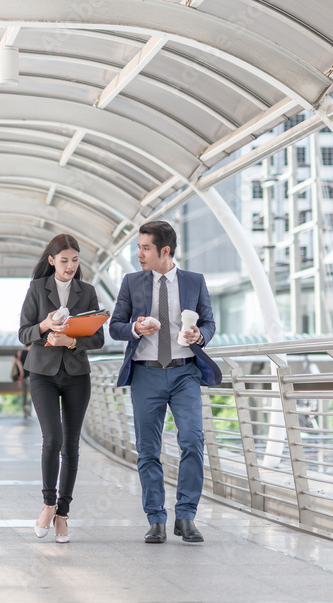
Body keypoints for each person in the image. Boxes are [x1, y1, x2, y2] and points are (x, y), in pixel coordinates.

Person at [110, 220, 220, 544]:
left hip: (185, 370)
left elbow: (210, 322)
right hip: (146, 373)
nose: (139, 254)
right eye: (139, 247)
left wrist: (200, 334)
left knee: (192, 440)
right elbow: (115, 326)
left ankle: (185, 516)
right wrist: (135, 327)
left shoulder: (194, 281)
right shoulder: (131, 282)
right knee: (148, 449)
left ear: (165, 251)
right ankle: (156, 519)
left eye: (145, 248)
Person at [18, 234, 105, 543]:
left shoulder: (88, 292)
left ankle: (63, 515)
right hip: (42, 373)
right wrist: (45, 326)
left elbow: (98, 339)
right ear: (52, 260)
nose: (70, 266)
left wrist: (71, 342)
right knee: (51, 438)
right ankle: (48, 504)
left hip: (76, 374)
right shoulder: (37, 289)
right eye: (64, 260)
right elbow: (23, 333)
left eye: (75, 260)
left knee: (71, 445)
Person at [12, 349, 30, 418]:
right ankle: (28, 408)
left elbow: (14, 362)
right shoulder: (31, 352)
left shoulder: (19, 352)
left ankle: (25, 411)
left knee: (24, 395)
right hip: (30, 377)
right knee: (33, 395)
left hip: (21, 377)